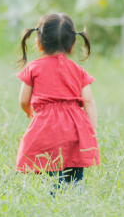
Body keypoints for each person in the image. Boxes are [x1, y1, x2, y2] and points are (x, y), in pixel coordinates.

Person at [15, 13, 99, 189]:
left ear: (39, 43)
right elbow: (88, 101)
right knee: (75, 178)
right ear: (73, 44)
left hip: (47, 130)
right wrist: (91, 130)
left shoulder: (34, 68)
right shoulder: (78, 70)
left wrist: (29, 112)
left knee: (51, 178)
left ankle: (54, 205)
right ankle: (76, 205)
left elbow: (23, 100)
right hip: (75, 130)